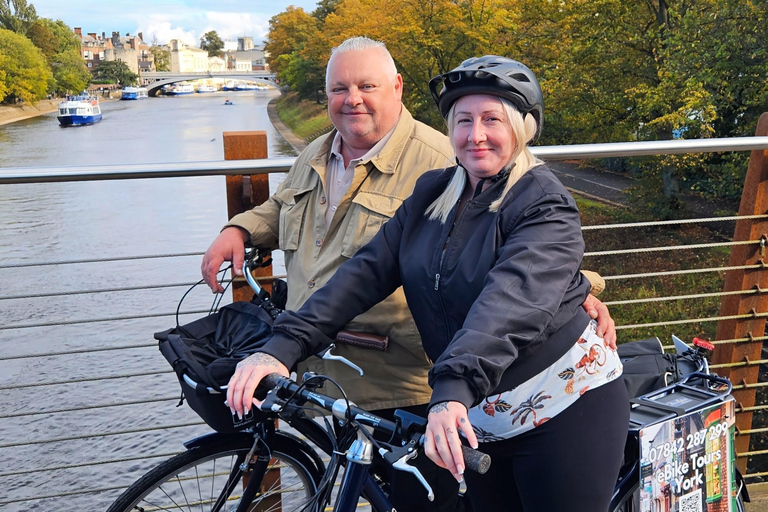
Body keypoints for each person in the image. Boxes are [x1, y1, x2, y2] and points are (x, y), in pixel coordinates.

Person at [225, 55, 630, 512]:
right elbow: (365, 273)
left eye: (491, 119)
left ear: (521, 128)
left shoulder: (544, 203)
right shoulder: (433, 193)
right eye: (463, 121)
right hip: (481, 412)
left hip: (563, 405)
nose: (475, 135)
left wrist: (452, 388)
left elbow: (509, 302)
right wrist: (279, 348)